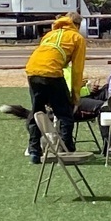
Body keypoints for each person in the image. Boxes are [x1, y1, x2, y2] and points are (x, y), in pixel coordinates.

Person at [25, 12, 86, 164]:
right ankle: (66, 151)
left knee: (37, 110)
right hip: (52, 72)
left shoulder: (49, 34)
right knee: (65, 113)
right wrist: (75, 96)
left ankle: (34, 151)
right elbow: (77, 70)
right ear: (77, 25)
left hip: (32, 71)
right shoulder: (77, 38)